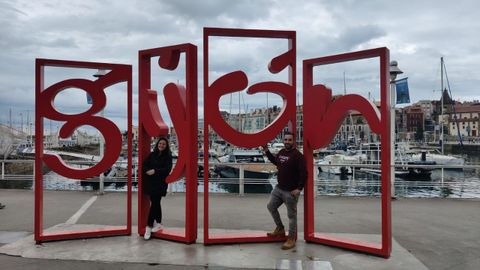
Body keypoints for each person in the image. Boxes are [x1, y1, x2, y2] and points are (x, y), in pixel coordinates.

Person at [262, 131, 307, 250]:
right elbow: (275, 161)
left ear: (293, 141)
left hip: (290, 192)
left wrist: (299, 189)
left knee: (291, 216)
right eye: (285, 140)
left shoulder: (298, 156)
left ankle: (291, 238)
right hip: (279, 188)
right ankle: (280, 228)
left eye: (289, 140)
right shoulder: (281, 152)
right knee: (271, 206)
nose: (287, 142)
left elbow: (304, 173)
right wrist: (266, 150)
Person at [142, 137, 173, 240]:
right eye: (160, 144)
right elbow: (144, 165)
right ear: (157, 144)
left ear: (166, 146)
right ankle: (159, 223)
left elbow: (167, 169)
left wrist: (154, 171)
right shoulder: (152, 154)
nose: (161, 145)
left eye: (164, 144)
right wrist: (147, 171)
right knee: (156, 203)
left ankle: (148, 226)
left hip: (160, 184)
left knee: (154, 203)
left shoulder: (168, 156)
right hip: (151, 183)